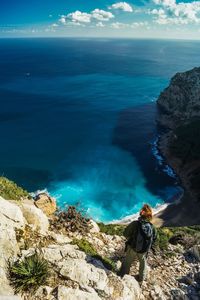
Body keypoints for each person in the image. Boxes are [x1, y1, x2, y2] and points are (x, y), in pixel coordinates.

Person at [119, 204, 157, 283]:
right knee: (143, 264)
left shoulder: (135, 224)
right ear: (149, 215)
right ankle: (141, 278)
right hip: (144, 250)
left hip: (133, 247)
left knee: (127, 262)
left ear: (141, 213)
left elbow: (125, 233)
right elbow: (155, 238)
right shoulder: (152, 227)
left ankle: (122, 276)